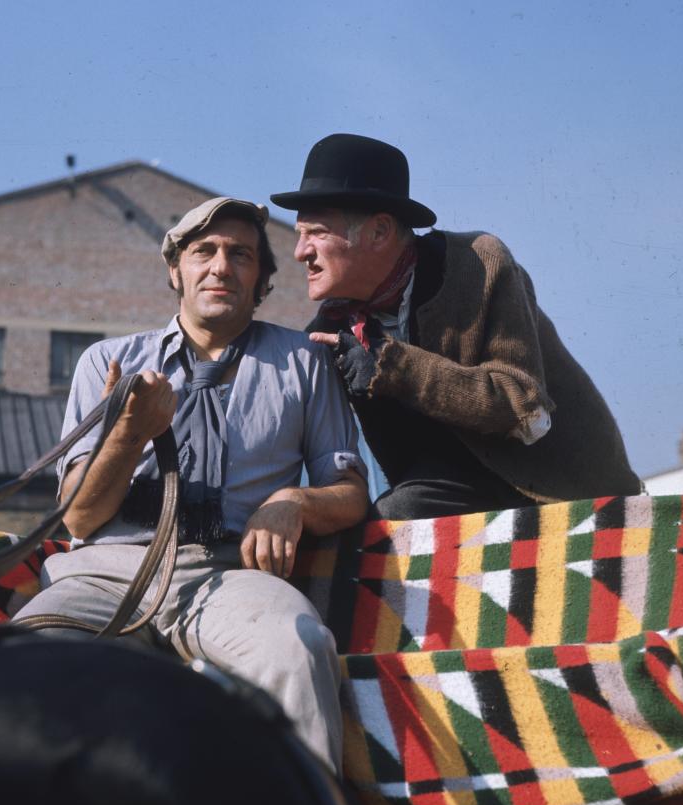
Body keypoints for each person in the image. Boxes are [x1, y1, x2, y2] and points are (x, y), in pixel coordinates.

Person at [14, 196, 369, 774]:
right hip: (108, 572)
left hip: (228, 575)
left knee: (297, 647)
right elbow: (78, 520)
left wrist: (293, 501)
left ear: (261, 281)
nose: (221, 267)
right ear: (174, 270)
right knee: (29, 659)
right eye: (203, 251)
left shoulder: (305, 363)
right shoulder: (108, 361)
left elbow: (350, 491)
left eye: (241, 255)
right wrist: (129, 434)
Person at [271, 133, 641, 519]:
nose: (300, 253)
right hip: (446, 485)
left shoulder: (477, 265)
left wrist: (391, 365)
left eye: (316, 234)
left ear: (379, 232)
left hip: (562, 486)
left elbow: (524, 410)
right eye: (299, 235)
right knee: (378, 531)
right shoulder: (331, 327)